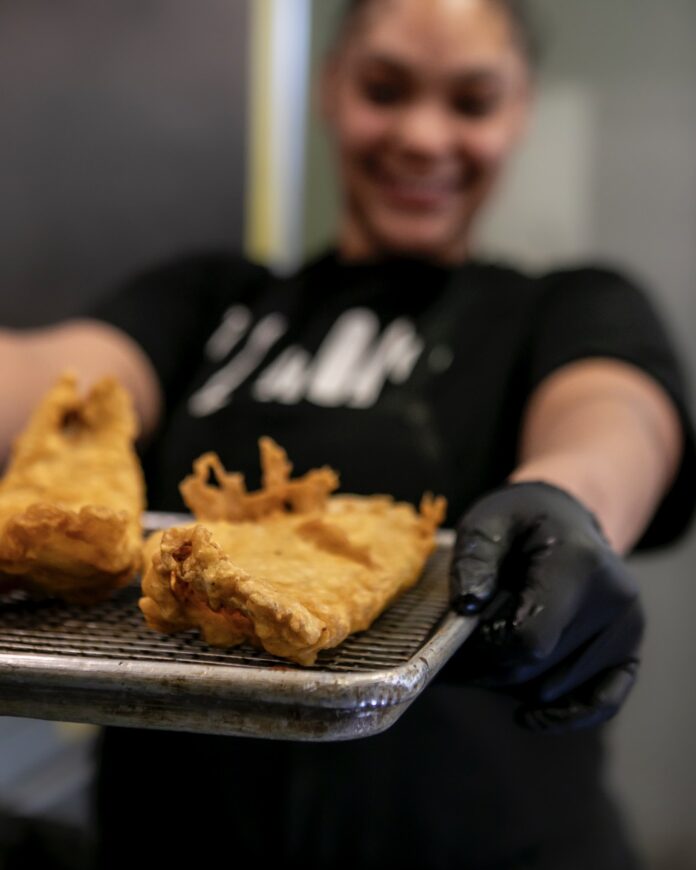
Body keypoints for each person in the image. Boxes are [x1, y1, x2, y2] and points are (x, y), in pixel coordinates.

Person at [1, 0, 694, 867]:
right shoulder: (211, 299)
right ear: (331, 89)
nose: (423, 136)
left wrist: (570, 498)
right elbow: (58, 384)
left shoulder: (560, 305)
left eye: (471, 103)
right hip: (173, 840)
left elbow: (617, 414)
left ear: (518, 113)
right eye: (384, 88)